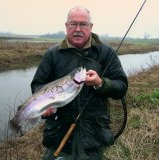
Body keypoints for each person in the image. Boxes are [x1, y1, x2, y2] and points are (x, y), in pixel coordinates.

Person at [31, 6, 128, 160]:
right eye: (73, 24)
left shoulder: (106, 53)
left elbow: (121, 88)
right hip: (58, 134)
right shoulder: (52, 55)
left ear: (91, 27)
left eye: (83, 24)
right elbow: (38, 85)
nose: (77, 29)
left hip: (93, 136)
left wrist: (100, 83)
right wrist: (45, 105)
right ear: (66, 26)